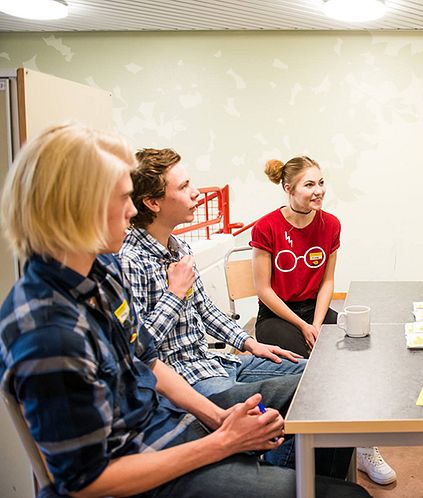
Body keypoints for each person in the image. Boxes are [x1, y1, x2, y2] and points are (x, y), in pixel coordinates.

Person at [0, 123, 369, 497]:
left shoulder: (99, 274)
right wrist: (223, 441)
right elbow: (87, 482)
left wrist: (220, 417)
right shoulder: (47, 331)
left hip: (172, 426)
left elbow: (146, 360)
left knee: (326, 386)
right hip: (149, 468)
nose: (130, 211)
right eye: (121, 197)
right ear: (77, 206)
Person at [252, 155, 397, 486]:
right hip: (277, 313)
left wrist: (316, 322)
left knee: (357, 358)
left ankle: (362, 444)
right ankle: (300, 455)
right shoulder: (267, 227)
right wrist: (303, 326)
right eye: (309, 184)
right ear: (288, 188)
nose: (318, 191)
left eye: (321, 183)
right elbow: (263, 290)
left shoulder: (330, 224)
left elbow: (327, 281)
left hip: (314, 310)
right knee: (310, 372)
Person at [118, 148, 305, 403]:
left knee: (315, 375)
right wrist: (175, 294)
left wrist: (249, 343)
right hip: (186, 380)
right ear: (153, 203)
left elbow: (205, 310)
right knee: (299, 395)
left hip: (215, 362)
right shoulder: (129, 262)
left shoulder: (179, 247)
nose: (195, 192)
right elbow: (138, 349)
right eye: (184, 187)